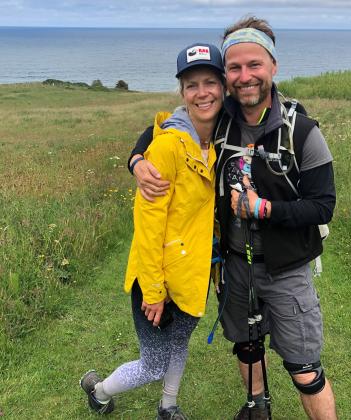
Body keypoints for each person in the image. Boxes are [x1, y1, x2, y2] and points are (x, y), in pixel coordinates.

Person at [130, 17, 337, 420]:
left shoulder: (302, 130)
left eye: (254, 65)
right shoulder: (220, 116)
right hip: (234, 268)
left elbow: (323, 206)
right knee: (246, 347)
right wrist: (136, 159)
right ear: (226, 76)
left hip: (288, 269)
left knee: (305, 370)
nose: (245, 77)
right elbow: (164, 127)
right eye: (235, 68)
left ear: (273, 66)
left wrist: (264, 209)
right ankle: (256, 407)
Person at [80, 42, 225, 419]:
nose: (202, 92)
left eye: (210, 81)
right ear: (182, 92)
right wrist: (155, 291)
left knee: (179, 346)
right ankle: (97, 390)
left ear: (224, 87)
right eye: (192, 84)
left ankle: (168, 407)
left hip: (195, 275)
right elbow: (147, 227)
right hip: (158, 278)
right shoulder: (165, 148)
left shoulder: (224, 142)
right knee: (155, 363)